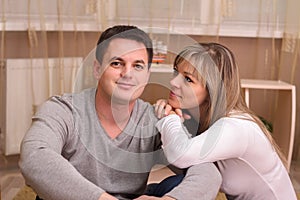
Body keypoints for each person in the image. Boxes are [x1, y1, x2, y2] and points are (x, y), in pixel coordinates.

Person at [19, 25, 222, 200]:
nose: (127, 74)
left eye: (138, 66)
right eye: (117, 63)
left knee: (178, 184)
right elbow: (34, 156)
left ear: (147, 75)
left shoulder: (154, 119)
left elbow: (208, 173)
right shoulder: (64, 110)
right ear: (97, 69)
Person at [154, 42, 297, 200]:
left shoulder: (235, 127)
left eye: (188, 79)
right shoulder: (200, 120)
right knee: (170, 185)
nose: (174, 82)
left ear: (213, 89)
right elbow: (183, 164)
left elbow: (180, 156)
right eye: (176, 72)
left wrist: (170, 118)